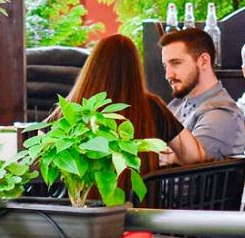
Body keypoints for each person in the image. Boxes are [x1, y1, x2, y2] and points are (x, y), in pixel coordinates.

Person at [66, 33, 205, 173]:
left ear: (92, 66)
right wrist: (167, 157)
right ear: (135, 68)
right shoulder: (152, 106)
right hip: (140, 187)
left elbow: (49, 152)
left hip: (79, 188)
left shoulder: (70, 107)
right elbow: (195, 157)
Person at [158, 26, 245, 159]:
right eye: (166, 66)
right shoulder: (177, 104)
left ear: (204, 61)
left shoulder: (223, 113)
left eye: (176, 63)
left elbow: (192, 161)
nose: (168, 75)